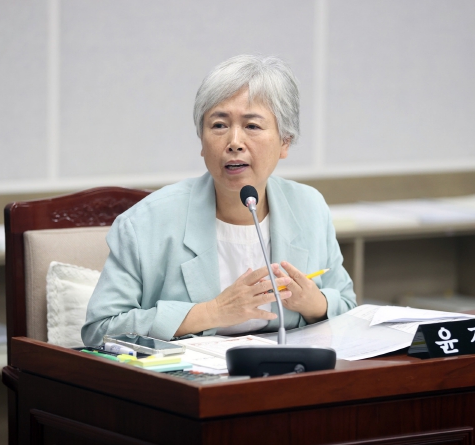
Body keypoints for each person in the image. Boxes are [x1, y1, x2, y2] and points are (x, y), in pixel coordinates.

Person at [81, 55, 356, 345]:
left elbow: (351, 310)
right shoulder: (146, 222)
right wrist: (212, 312)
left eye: (252, 126)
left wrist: (315, 304)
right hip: (190, 372)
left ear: (284, 142)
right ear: (202, 140)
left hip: (289, 369)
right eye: (219, 125)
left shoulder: (309, 207)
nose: (234, 142)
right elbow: (100, 331)